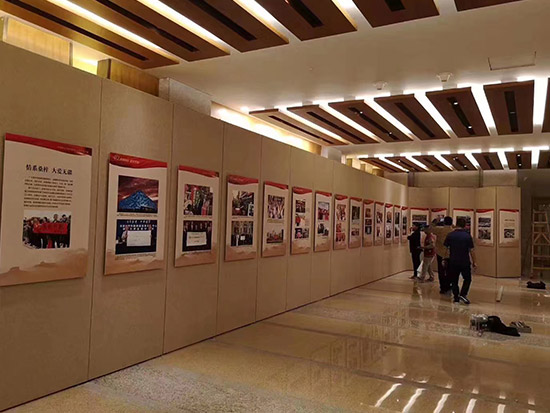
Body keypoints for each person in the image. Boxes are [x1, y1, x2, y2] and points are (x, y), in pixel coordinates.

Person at [444, 217, 477, 304]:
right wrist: (474, 261)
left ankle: (456, 297)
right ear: (464, 225)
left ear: (456, 224)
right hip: (464, 261)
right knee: (467, 279)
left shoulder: (450, 235)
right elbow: (471, 250)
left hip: (453, 261)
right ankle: (463, 294)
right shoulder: (467, 236)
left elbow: (446, 249)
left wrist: (444, 259)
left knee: (454, 280)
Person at [432, 216, 454, 294]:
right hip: (450, 254)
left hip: (440, 253)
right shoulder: (453, 231)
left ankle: (443, 287)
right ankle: (448, 285)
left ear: (444, 222)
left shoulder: (440, 230)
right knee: (449, 270)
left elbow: (429, 228)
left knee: (441, 270)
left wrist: (434, 221)